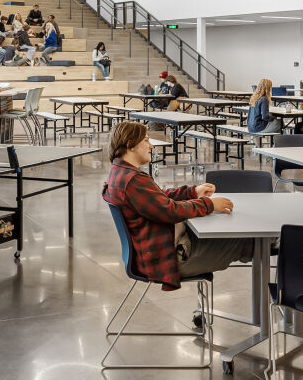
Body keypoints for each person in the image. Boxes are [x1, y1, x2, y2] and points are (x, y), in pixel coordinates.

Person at [101, 121, 250, 290]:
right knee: (249, 242)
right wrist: (208, 204)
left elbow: (159, 198)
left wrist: (192, 192)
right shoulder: (133, 180)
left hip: (150, 253)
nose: (151, 146)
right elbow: (170, 211)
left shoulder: (120, 172)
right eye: (146, 140)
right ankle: (278, 300)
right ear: (130, 145)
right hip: (166, 260)